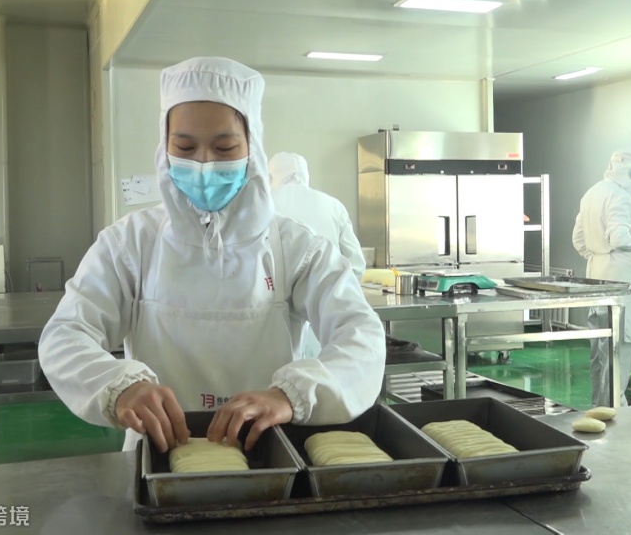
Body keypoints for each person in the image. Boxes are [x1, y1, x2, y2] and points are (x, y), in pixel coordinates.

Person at [38, 57, 386, 454]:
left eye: (224, 147)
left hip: (266, 454)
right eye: (185, 147)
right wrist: (119, 387)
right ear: (164, 146)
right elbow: (65, 335)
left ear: (252, 146)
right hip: (157, 455)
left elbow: (362, 336)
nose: (203, 164)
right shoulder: (130, 243)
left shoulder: (295, 247)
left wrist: (291, 395)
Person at [573, 150, 631, 407]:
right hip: (622, 277)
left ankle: (600, 404)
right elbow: (619, 238)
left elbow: (578, 240)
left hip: (596, 274)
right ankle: (617, 407)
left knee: (601, 344)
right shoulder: (621, 197)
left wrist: (598, 255)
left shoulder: (592, 193)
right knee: (621, 345)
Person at [268, 151, 366, 359]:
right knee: (322, 373)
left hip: (274, 323)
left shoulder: (264, 206)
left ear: (270, 176)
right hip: (324, 318)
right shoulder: (333, 205)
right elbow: (356, 265)